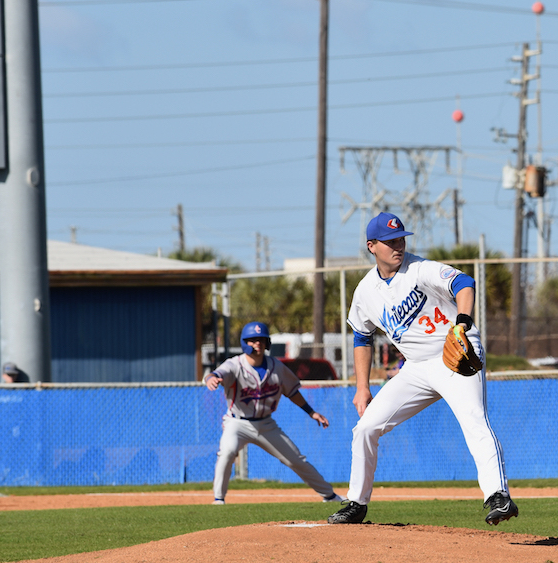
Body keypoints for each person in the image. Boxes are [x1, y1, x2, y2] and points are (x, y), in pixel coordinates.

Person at [329, 212, 517, 525]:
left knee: (474, 419)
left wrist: (463, 323)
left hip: (454, 355)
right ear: (372, 246)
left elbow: (464, 283)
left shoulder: (419, 269)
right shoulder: (364, 292)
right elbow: (362, 337)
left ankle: (498, 495)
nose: (398, 245)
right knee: (365, 427)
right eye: (390, 242)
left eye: (401, 238)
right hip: (416, 367)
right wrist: (362, 387)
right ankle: (356, 503)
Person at [205, 321, 345, 506]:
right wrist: (211, 379)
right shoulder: (235, 364)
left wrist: (311, 412)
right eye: (253, 340)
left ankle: (330, 496)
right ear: (245, 342)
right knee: (227, 452)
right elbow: (215, 373)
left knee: (296, 460)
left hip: (266, 424)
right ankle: (218, 499)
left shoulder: (276, 366)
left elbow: (292, 392)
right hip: (237, 423)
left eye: (261, 340)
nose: (258, 343)